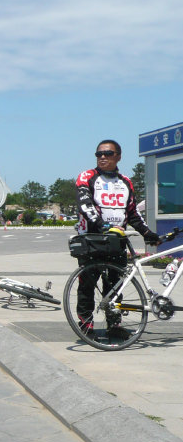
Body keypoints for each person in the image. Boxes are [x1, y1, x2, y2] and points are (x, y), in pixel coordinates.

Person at [74, 139, 159, 337]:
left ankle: (114, 324)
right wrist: (101, 225)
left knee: (115, 285)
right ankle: (86, 325)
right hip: (92, 238)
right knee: (87, 284)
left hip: (116, 241)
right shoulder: (87, 177)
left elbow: (132, 214)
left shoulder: (126, 182)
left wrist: (147, 233)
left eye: (108, 153)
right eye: (99, 154)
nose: (102, 157)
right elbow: (85, 204)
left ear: (118, 156)